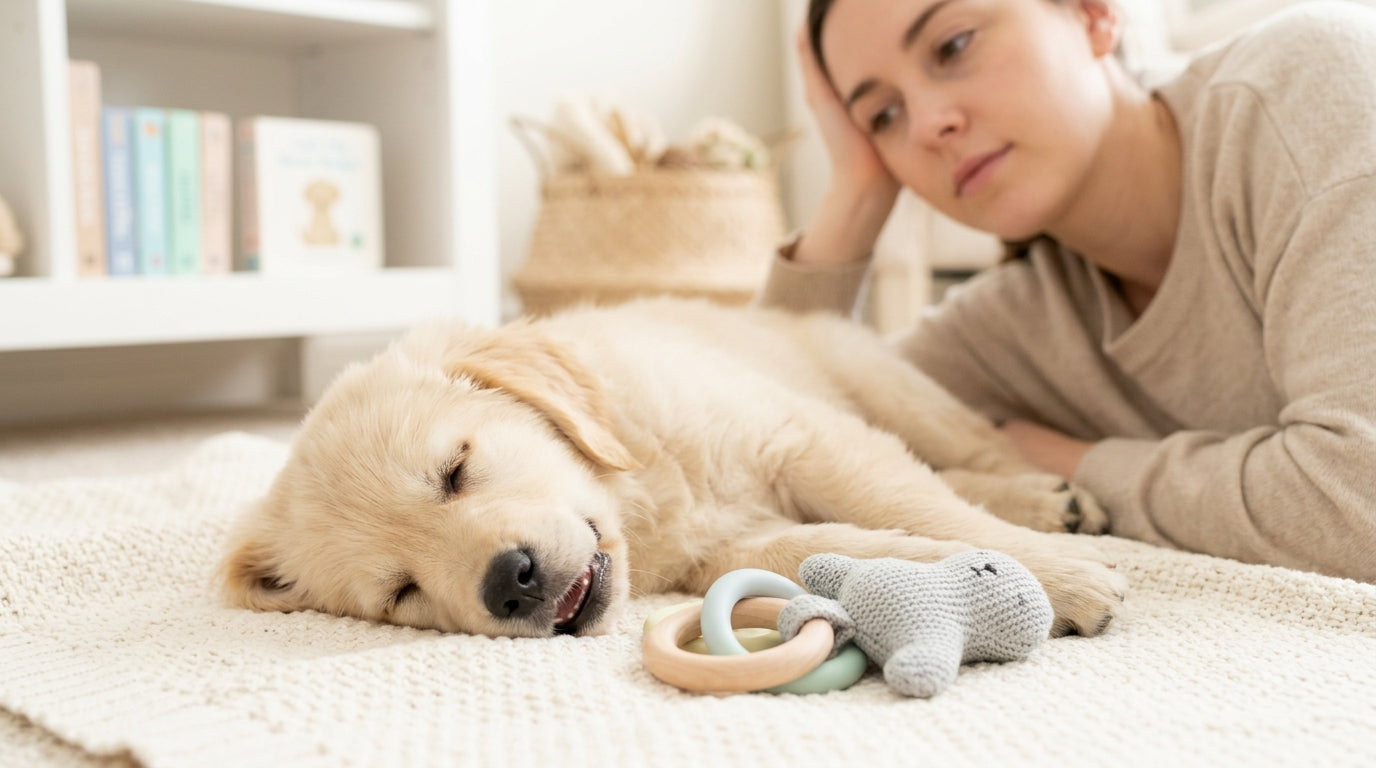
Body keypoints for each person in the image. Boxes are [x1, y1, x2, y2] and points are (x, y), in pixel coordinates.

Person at [757, 0, 1376, 582]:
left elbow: (1360, 504)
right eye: (883, 117)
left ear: (1092, 13)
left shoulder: (1311, 84)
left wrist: (1062, 461)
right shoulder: (1020, 321)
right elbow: (771, 445)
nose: (927, 126)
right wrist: (856, 195)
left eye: (953, 46)